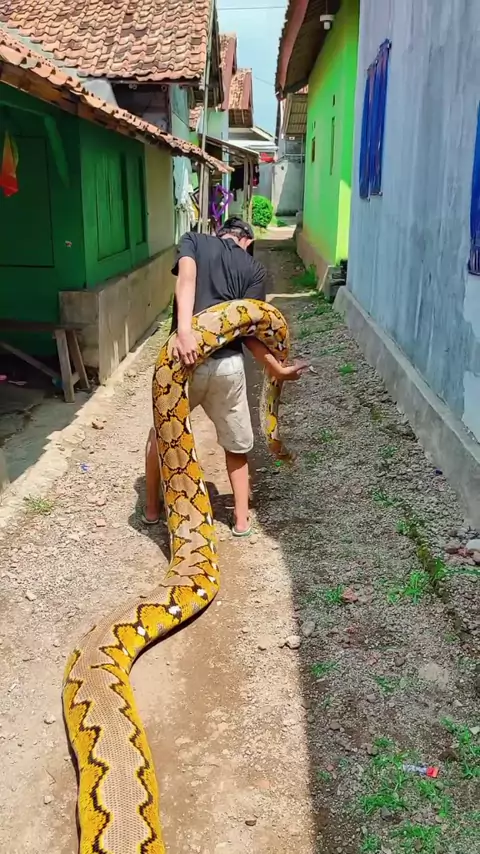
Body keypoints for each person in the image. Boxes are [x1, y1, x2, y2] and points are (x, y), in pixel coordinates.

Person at [143, 217, 308, 536]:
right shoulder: (253, 269)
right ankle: (241, 521)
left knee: (161, 434)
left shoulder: (194, 240)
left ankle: (151, 509)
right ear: (247, 241)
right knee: (235, 445)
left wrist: (184, 332)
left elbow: (186, 279)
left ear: (220, 233)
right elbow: (250, 332)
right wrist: (277, 369)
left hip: (181, 362)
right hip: (228, 368)